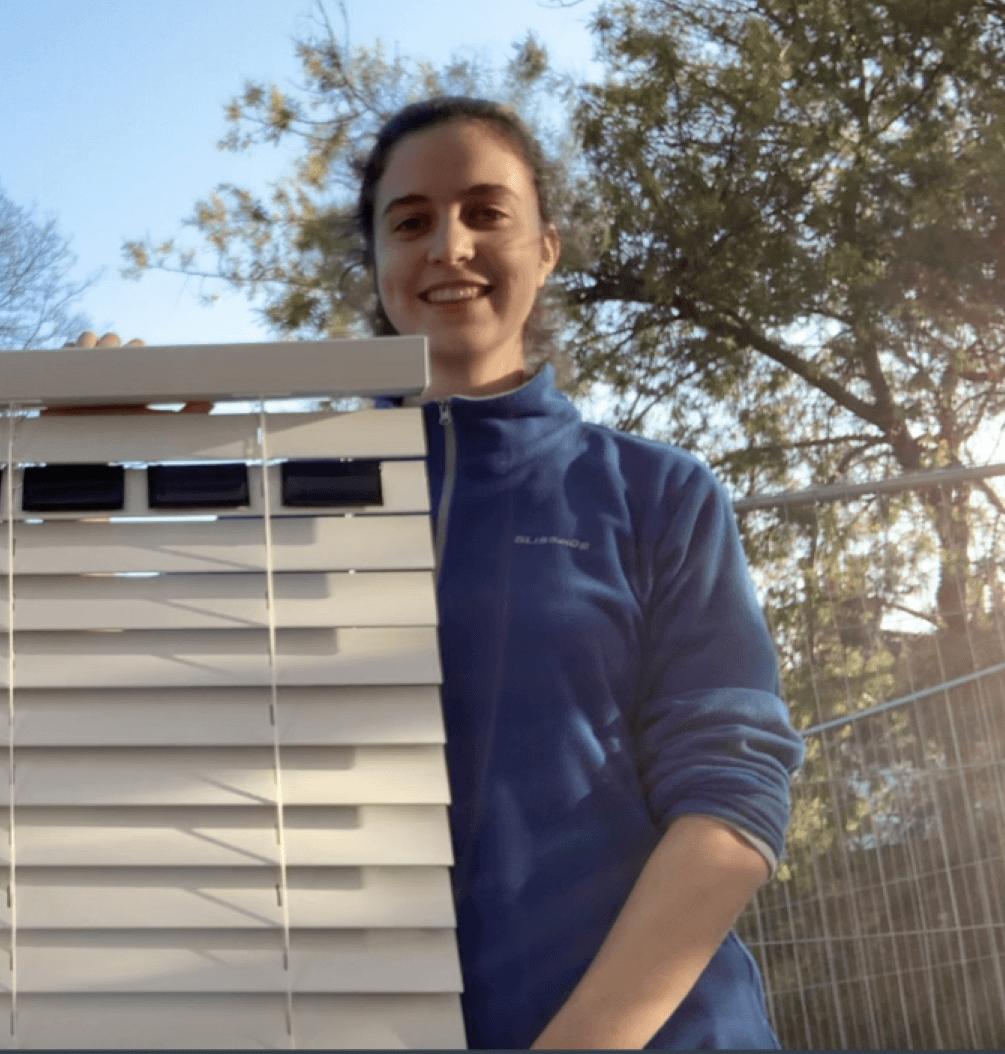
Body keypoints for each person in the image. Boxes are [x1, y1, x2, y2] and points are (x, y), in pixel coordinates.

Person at [356, 96, 805, 1048]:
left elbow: (732, 792)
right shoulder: (299, 506)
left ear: (547, 248)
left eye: (486, 211)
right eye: (410, 220)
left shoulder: (657, 492)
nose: (448, 245)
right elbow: (144, 728)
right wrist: (88, 472)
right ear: (376, 260)